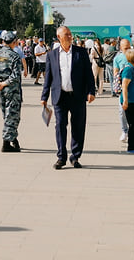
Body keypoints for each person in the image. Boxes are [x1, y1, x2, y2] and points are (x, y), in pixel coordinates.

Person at [40, 26, 97, 169]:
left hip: (77, 96)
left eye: (70, 34)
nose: (70, 37)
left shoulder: (81, 52)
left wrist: (91, 91)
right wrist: (44, 96)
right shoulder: (52, 55)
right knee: (60, 126)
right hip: (60, 97)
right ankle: (61, 157)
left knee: (78, 127)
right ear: (59, 37)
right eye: (67, 35)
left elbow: (88, 75)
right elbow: (49, 77)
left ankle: (75, 156)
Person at [0, 32, 24, 152]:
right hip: (11, 89)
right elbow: (16, 75)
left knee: (6, 114)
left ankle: (13, 139)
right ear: (13, 42)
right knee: (12, 115)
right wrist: (4, 83)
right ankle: (6, 142)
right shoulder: (14, 56)